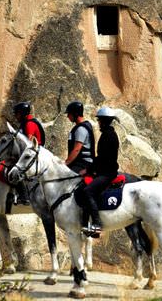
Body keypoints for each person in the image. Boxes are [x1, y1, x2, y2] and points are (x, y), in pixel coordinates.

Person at [81, 106, 120, 237]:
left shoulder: (107, 136)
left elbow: (102, 158)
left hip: (107, 173)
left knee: (87, 191)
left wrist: (88, 169)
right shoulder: (110, 134)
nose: (98, 124)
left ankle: (97, 223)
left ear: (103, 121)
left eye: (99, 121)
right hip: (106, 171)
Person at [12, 101, 45, 205]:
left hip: (34, 154)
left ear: (22, 113)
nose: (16, 117)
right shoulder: (26, 123)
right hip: (31, 153)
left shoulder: (29, 124)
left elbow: (28, 143)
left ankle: (24, 196)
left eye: (17, 114)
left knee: (15, 169)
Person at [64, 100, 95, 175]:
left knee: (66, 177)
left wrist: (65, 163)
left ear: (75, 114)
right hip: (79, 162)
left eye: (69, 114)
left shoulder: (81, 129)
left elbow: (76, 149)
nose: (68, 116)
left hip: (83, 163)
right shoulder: (83, 126)